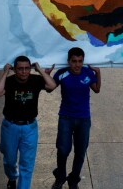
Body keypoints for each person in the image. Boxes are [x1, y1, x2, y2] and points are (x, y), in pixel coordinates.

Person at [0, 56, 58, 189]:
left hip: (30, 128)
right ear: (15, 69)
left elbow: (52, 85)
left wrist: (40, 70)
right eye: (20, 69)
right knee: (9, 160)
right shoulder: (9, 81)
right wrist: (5, 72)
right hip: (10, 126)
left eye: (27, 68)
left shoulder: (36, 79)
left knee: (27, 165)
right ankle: (12, 177)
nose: (24, 72)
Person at [47, 47, 101, 189]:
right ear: (68, 61)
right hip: (66, 117)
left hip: (84, 119)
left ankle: (73, 180)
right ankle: (60, 177)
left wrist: (98, 73)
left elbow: (96, 89)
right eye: (74, 61)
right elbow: (49, 89)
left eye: (80, 61)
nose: (77, 65)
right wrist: (46, 75)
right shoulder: (61, 73)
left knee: (80, 152)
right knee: (63, 150)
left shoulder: (87, 73)